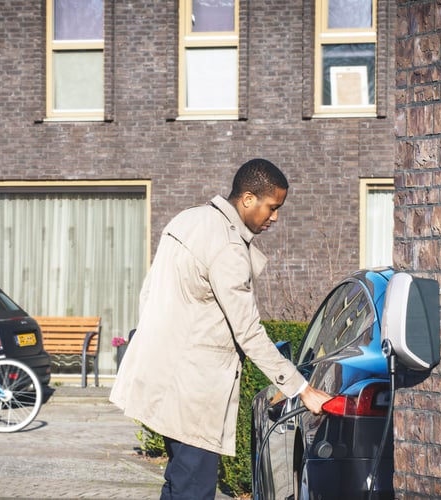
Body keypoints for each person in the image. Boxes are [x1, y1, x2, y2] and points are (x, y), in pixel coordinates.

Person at [109, 158, 332, 499]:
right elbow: (249, 332)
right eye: (272, 207)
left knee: (179, 484)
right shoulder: (228, 248)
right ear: (247, 199)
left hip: (162, 378)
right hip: (193, 392)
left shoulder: (187, 219)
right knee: (193, 490)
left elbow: (149, 293)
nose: (275, 217)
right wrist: (301, 389)